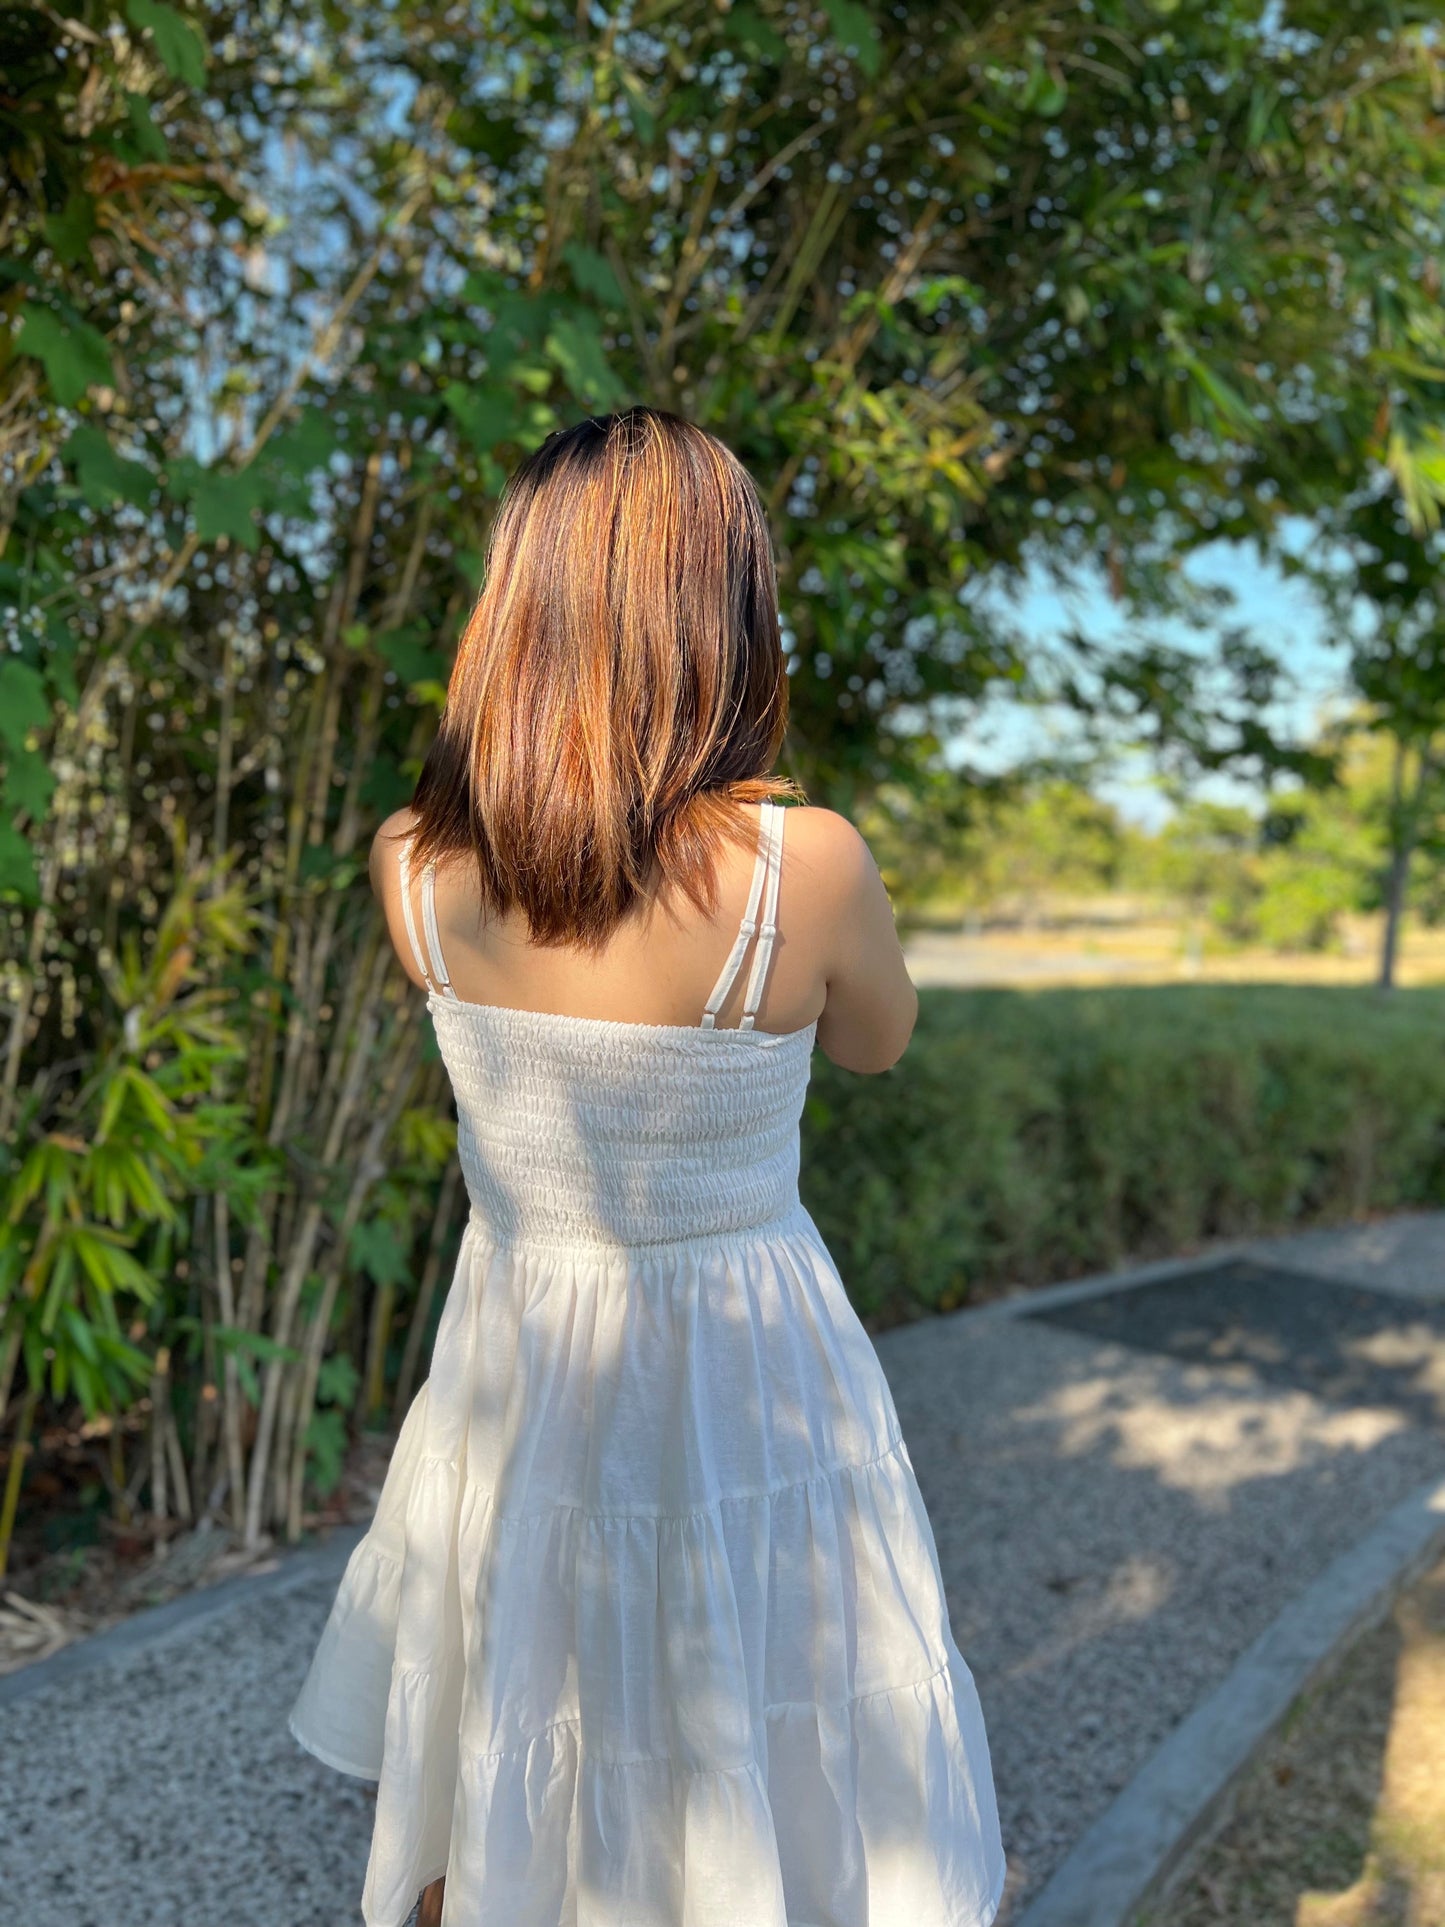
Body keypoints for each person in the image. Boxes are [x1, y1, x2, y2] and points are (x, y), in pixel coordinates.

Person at [289, 406, 1006, 1927]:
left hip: (515, 1363)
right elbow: (878, 1041)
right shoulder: (799, 866)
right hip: (746, 1364)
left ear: (515, 613)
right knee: (757, 1711)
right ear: (722, 618)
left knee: (515, 1698)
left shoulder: (408, 858)